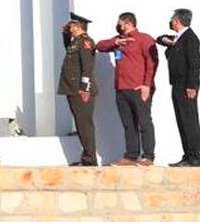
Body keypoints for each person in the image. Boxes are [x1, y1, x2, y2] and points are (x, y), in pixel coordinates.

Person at [96, 12, 160, 167]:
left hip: (139, 88)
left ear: (127, 23)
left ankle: (148, 157)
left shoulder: (144, 39)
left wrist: (146, 84)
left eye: (120, 23)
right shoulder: (119, 40)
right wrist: (117, 42)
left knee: (144, 122)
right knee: (128, 123)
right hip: (121, 88)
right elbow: (99, 46)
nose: (118, 26)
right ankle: (131, 155)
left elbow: (152, 63)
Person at [157, 8, 200, 167]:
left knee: (189, 120)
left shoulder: (190, 38)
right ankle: (187, 155)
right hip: (176, 84)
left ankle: (195, 156)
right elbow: (159, 39)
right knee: (182, 120)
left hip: (186, 85)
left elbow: (195, 64)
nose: (171, 22)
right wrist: (169, 42)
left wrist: (192, 85)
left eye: (172, 20)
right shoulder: (178, 38)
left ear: (177, 21)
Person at [58, 13, 98, 166]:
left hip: (80, 90)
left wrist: (84, 88)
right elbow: (68, 47)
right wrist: (64, 34)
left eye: (72, 25)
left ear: (79, 26)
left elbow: (87, 67)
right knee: (80, 124)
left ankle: (90, 159)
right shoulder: (76, 42)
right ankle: (86, 157)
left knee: (84, 124)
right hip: (72, 89)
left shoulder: (86, 42)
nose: (70, 27)